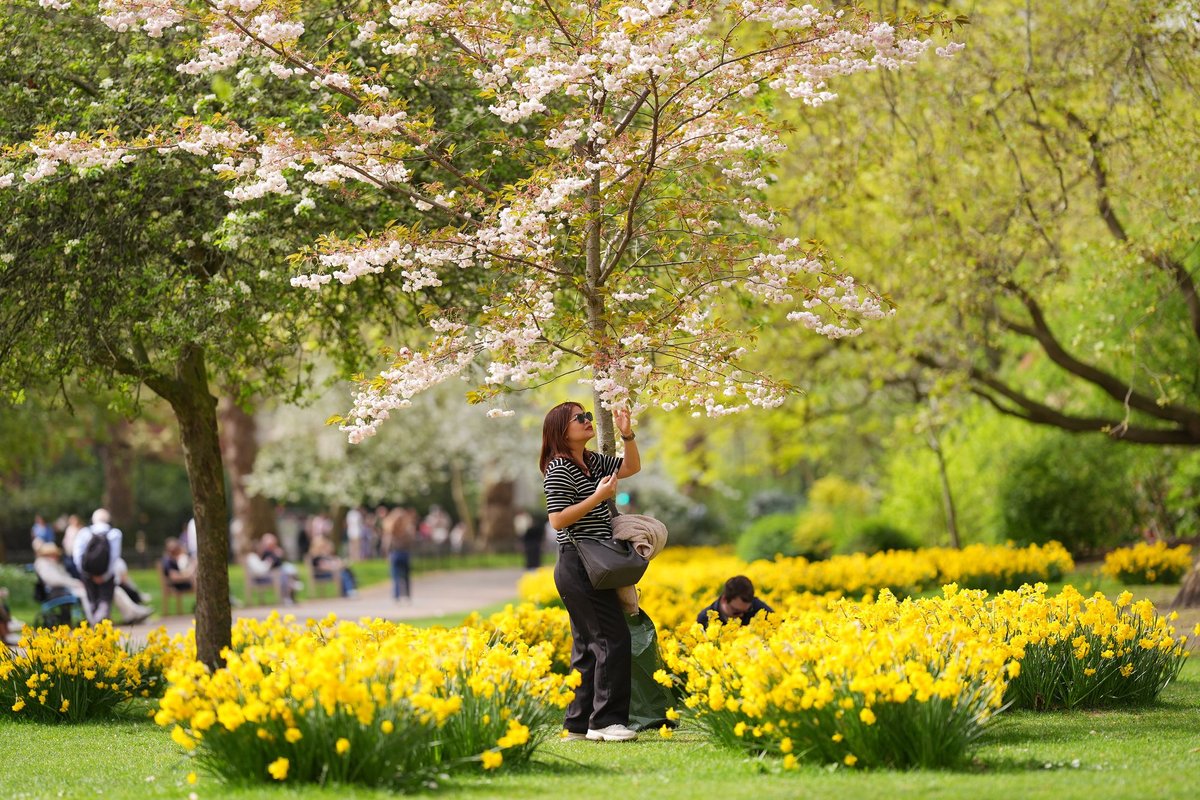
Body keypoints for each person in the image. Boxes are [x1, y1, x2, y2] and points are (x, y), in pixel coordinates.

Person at [542, 401, 641, 742]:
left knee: (586, 647)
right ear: (560, 430)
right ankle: (606, 721)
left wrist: (626, 433)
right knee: (612, 638)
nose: (587, 421)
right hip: (577, 562)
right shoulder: (559, 469)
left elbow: (631, 468)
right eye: (579, 418)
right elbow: (557, 519)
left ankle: (577, 725)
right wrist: (599, 497)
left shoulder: (592, 461)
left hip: (594, 562)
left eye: (587, 416)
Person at [72, 508, 123, 623]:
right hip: (107, 575)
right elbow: (114, 558)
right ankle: (102, 626)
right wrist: (105, 575)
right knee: (105, 601)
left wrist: (87, 574)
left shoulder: (84, 533)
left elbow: (77, 556)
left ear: (93, 519)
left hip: (87, 574)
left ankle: (93, 628)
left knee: (92, 601)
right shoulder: (115, 534)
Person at [696, 575, 774, 627]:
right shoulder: (705, 618)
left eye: (747, 610)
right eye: (736, 611)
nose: (741, 615)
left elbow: (778, 624)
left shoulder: (757, 607)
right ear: (724, 599)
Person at [246, 532, 301, 604]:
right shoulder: (255, 556)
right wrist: (271, 560)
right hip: (264, 577)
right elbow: (261, 569)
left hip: (271, 573)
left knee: (287, 572)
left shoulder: (263, 554)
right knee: (284, 575)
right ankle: (288, 593)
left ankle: (291, 590)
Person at [307, 533, 359, 597]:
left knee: (346, 571)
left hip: (330, 572)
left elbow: (332, 561)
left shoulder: (324, 555)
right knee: (342, 573)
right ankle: (349, 590)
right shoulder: (316, 557)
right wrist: (334, 567)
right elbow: (322, 566)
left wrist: (339, 564)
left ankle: (349, 590)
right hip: (321, 574)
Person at [382, 506, 415, 603]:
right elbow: (411, 541)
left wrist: (386, 553)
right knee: (406, 576)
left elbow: (387, 543)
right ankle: (407, 595)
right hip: (404, 553)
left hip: (396, 553)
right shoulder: (407, 529)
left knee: (396, 576)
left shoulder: (390, 530)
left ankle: (396, 595)